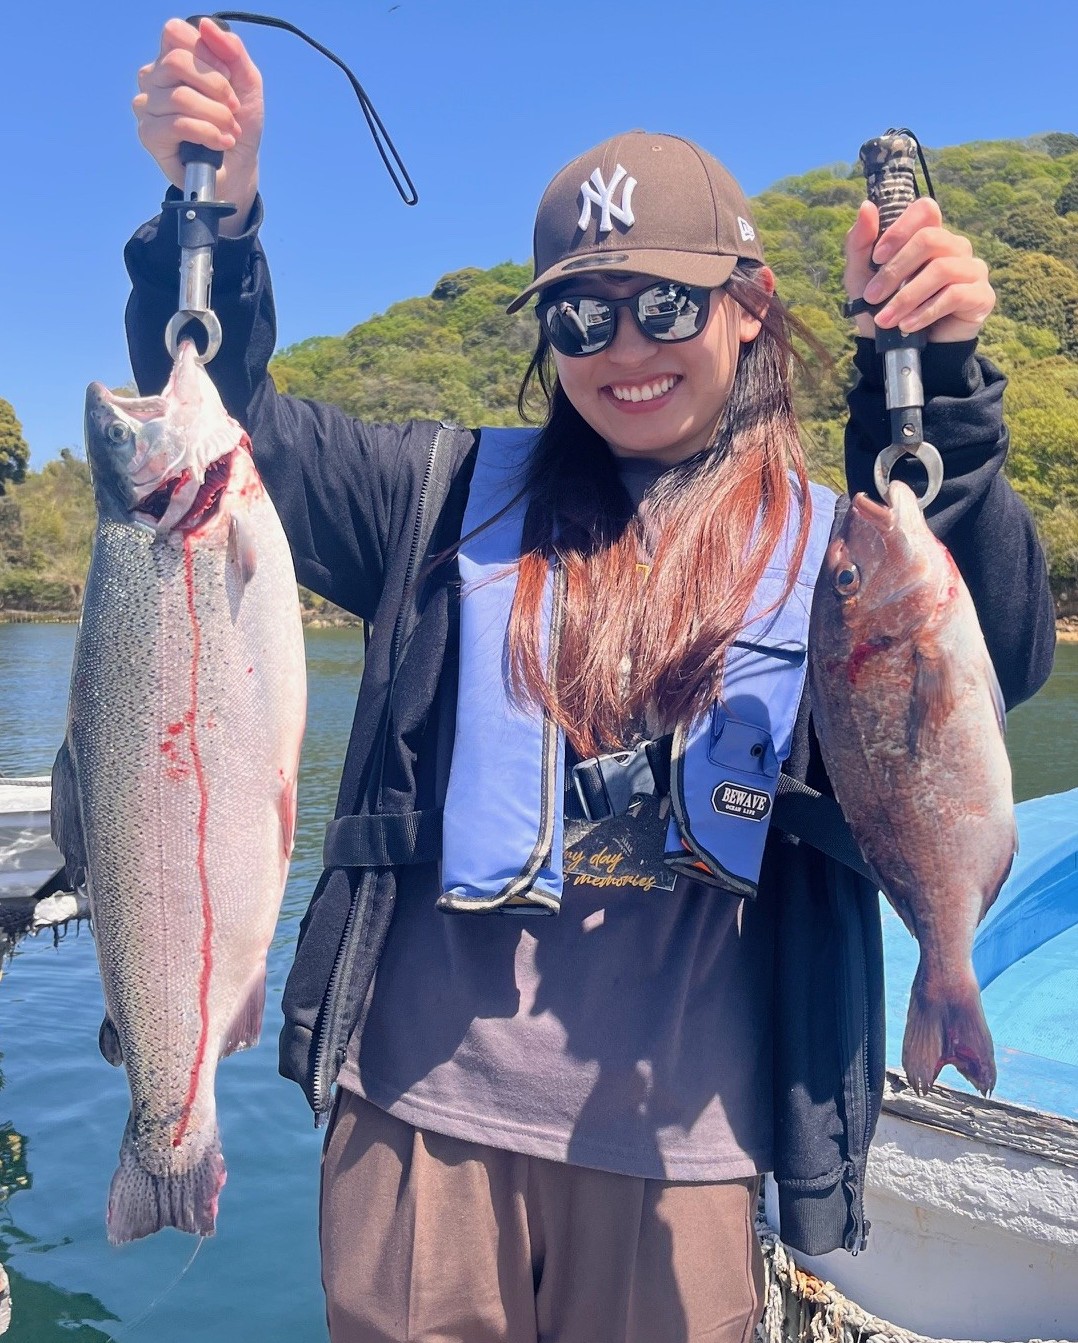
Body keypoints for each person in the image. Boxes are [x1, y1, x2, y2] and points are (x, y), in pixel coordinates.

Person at [127, 18, 1055, 1343]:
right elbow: (225, 430)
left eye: (665, 304)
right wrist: (213, 216)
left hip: (686, 1155)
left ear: (749, 307)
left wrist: (942, 384)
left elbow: (993, 666)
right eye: (579, 313)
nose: (624, 346)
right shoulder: (436, 498)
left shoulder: (841, 551)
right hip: (417, 1129)